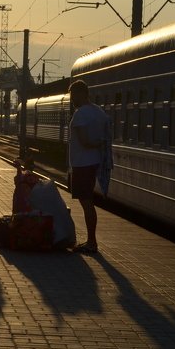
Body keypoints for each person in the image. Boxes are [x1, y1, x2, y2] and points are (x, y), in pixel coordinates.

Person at [68, 79, 111, 254]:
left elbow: (85, 141)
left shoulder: (81, 114)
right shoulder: (99, 112)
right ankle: (91, 241)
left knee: (86, 203)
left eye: (73, 95)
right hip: (93, 162)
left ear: (81, 93)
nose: (72, 99)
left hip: (82, 163)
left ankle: (91, 242)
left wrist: (97, 143)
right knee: (88, 202)